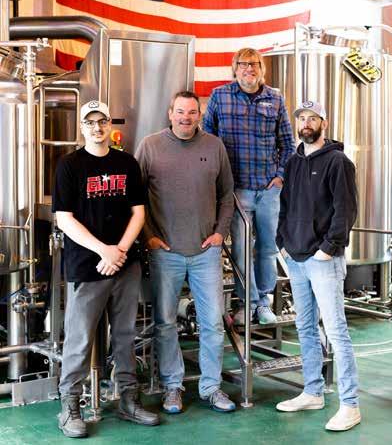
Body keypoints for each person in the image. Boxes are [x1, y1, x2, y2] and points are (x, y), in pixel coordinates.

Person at [53, 100, 160, 438]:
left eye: (102, 121)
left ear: (109, 124)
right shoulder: (69, 165)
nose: (97, 127)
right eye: (90, 122)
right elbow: (64, 218)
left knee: (126, 336)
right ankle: (70, 406)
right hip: (88, 266)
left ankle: (128, 399)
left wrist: (120, 251)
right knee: (80, 338)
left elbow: (139, 213)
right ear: (81, 127)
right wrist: (104, 250)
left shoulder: (126, 163)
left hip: (125, 264)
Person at [135, 91, 235, 414]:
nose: (186, 118)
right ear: (170, 113)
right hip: (165, 252)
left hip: (206, 252)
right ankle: (172, 387)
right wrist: (149, 236)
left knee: (213, 323)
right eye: (180, 111)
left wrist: (220, 233)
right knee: (165, 323)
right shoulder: (150, 146)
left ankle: (211, 387)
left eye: (192, 112)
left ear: (199, 115)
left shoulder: (214, 146)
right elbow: (136, 197)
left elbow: (227, 195)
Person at [275, 101, 361, 432]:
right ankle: (312, 391)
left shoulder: (338, 162)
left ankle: (350, 405)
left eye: (313, 118)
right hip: (295, 257)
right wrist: (282, 243)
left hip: (323, 260)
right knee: (305, 327)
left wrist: (329, 248)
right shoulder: (293, 162)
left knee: (336, 330)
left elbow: (346, 209)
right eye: (302, 118)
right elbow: (285, 206)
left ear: (323, 123)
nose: (306, 123)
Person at [203, 48, 295, 325]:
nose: (249, 69)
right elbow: (207, 140)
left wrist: (280, 177)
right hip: (236, 190)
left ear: (261, 68)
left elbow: (287, 144)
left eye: (254, 64)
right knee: (242, 250)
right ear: (235, 69)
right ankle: (248, 304)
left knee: (267, 249)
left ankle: (263, 302)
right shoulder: (220, 96)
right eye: (243, 64)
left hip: (268, 189)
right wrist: (219, 183)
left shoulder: (275, 98)